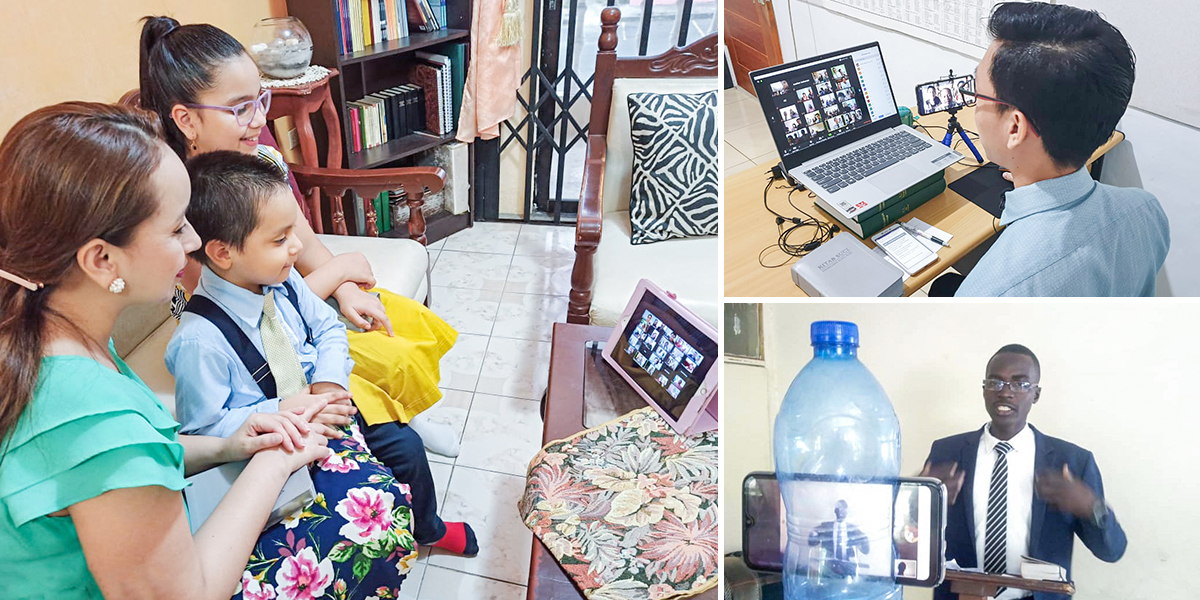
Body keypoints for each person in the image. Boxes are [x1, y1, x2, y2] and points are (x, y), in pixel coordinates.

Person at [0, 102, 419, 599]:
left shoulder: (52, 333)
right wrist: (272, 461)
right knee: (373, 516)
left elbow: (142, 462)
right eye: (176, 227)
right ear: (102, 259)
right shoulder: (97, 414)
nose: (195, 240)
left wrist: (231, 445)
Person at [138, 16, 463, 457]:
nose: (259, 120)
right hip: (244, 333)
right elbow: (243, 310)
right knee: (366, 359)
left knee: (394, 316)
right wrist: (333, 276)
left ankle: (410, 413)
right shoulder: (186, 202)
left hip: (286, 293)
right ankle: (396, 423)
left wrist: (344, 287)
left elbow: (305, 243)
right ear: (187, 120)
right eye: (240, 109)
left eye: (261, 99)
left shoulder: (262, 160)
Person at [168, 151, 478, 557]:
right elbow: (206, 432)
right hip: (280, 442)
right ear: (223, 253)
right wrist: (290, 406)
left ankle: (428, 528)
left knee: (407, 450)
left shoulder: (280, 279)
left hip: (325, 402)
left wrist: (329, 384)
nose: (297, 247)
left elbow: (329, 328)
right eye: (280, 240)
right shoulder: (199, 341)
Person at [939, 2, 1169, 296]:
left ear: (1015, 128)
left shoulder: (990, 292)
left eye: (976, 92)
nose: (973, 104)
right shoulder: (1146, 209)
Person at [921, 345, 1126, 600]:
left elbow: (1112, 551)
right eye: (995, 382)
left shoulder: (1072, 461)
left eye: (1020, 384)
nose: (1005, 392)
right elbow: (908, 542)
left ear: (1036, 394)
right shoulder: (946, 453)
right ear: (984, 389)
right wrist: (916, 500)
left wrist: (1093, 507)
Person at [807, 499, 870, 577]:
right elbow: (812, 543)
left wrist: (864, 540)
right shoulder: (826, 527)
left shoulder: (853, 529)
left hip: (848, 567)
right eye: (838, 509)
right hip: (829, 567)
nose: (841, 512)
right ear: (835, 511)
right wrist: (813, 533)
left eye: (843, 510)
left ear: (847, 512)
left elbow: (865, 549)